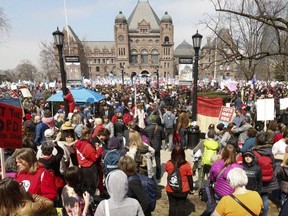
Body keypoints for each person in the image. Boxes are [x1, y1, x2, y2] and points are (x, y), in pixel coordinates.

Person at [165, 145, 194, 216]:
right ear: (183, 154)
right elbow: (190, 178)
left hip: (171, 188)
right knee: (182, 205)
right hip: (183, 189)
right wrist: (191, 188)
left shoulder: (168, 164)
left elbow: (168, 172)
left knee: (172, 206)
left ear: (172, 154)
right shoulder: (186, 165)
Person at [75, 126, 100, 198]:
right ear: (87, 135)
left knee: (84, 187)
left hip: (82, 167)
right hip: (90, 168)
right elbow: (94, 158)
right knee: (91, 188)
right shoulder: (88, 146)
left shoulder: (78, 143)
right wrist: (99, 149)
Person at [143, 115, 166, 180]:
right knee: (158, 160)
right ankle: (158, 175)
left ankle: (149, 174)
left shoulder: (146, 128)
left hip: (149, 146)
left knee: (148, 160)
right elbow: (164, 137)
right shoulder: (160, 128)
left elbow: (144, 137)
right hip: (157, 146)